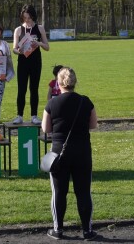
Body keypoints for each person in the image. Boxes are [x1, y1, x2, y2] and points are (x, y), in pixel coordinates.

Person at [41, 67, 98, 241]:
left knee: (59, 192)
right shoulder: (85, 102)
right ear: (75, 82)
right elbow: (93, 125)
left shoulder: (52, 103)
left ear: (58, 83)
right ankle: (87, 231)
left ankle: (58, 230)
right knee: (83, 192)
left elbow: (46, 129)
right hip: (82, 151)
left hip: (59, 153)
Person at [12, 4, 50, 125]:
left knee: (34, 89)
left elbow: (47, 47)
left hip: (35, 62)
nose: (27, 20)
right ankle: (19, 115)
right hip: (23, 62)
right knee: (21, 89)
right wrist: (19, 51)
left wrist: (38, 43)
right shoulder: (18, 30)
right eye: (24, 18)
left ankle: (34, 115)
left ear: (33, 16)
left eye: (29, 17)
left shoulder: (40, 28)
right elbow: (14, 48)